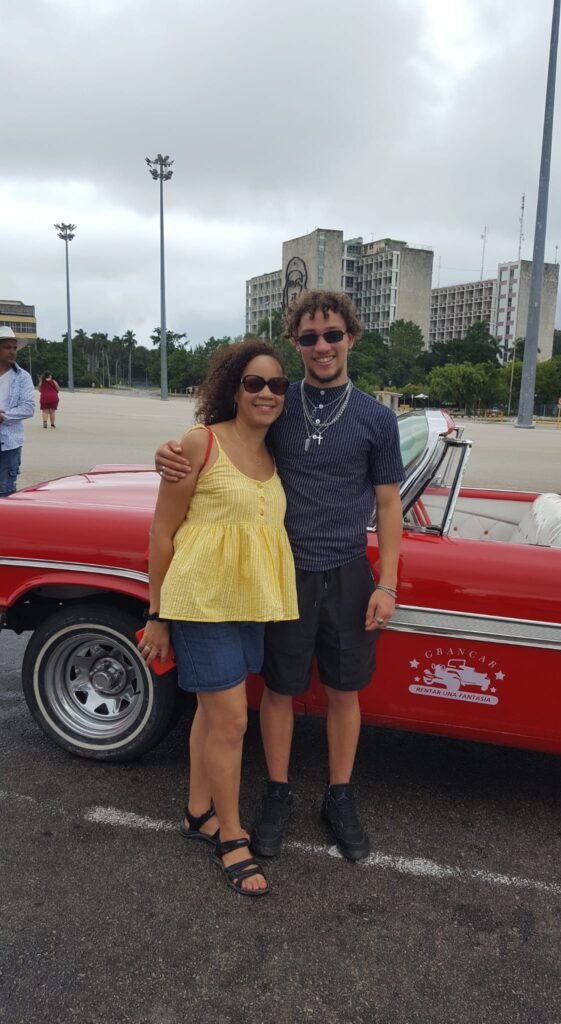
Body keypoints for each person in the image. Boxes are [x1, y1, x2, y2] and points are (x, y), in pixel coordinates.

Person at [155, 291, 404, 861]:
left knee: (345, 691)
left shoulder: (376, 417)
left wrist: (386, 583)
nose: (322, 346)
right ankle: (278, 791)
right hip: (282, 573)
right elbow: (220, 443)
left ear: (351, 338)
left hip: (347, 572)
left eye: (333, 335)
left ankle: (339, 796)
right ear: (296, 344)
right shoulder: (277, 405)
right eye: (310, 337)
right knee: (280, 690)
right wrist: (167, 453)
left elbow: (388, 504)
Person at [140, 340, 298, 897]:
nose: (266, 393)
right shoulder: (198, 443)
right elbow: (163, 530)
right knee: (232, 720)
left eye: (277, 385)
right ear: (234, 388)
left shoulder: (277, 454)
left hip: (250, 603)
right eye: (254, 383)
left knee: (212, 715)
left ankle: (197, 811)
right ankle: (232, 837)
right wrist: (156, 614)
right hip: (200, 604)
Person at [0, 326, 36, 497]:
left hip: (9, 443)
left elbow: (28, 407)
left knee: (5, 491)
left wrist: (4, 416)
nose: (12, 351)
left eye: (14, 348)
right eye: (7, 347)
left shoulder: (23, 377)